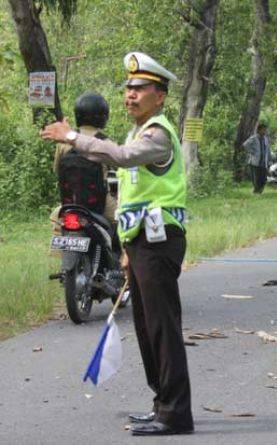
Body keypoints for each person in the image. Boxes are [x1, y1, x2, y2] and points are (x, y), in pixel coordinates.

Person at [41, 52, 193, 436]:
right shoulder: (137, 131)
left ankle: (175, 413)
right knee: (145, 326)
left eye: (140, 88)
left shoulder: (158, 134)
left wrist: (73, 137)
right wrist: (126, 251)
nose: (130, 95)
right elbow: (130, 197)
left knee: (162, 327)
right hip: (141, 242)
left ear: (160, 96)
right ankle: (162, 404)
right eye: (127, 89)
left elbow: (123, 160)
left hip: (161, 241)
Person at [50, 92, 116, 233]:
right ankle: (123, 255)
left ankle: (61, 252)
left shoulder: (63, 143)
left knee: (56, 220)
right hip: (100, 204)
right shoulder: (107, 143)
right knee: (122, 222)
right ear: (104, 117)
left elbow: (57, 170)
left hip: (70, 203)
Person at [244, 122, 272, 194]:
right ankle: (256, 192)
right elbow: (245, 145)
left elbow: (268, 150)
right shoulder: (254, 138)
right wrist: (252, 151)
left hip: (264, 163)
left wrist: (270, 159)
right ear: (259, 130)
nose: (265, 131)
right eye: (263, 130)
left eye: (265, 130)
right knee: (256, 179)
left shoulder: (266, 139)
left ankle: (259, 191)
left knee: (264, 179)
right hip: (255, 162)